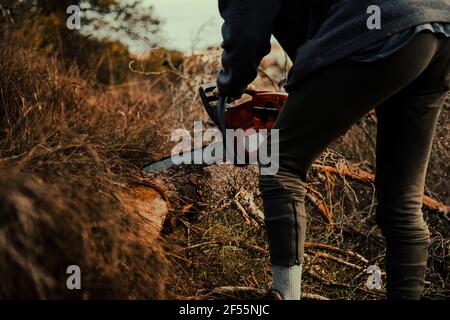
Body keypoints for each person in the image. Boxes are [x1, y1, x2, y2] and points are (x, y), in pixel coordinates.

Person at [215, 0, 450, 300]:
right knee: (402, 203)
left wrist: (229, 85)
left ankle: (286, 295)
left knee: (279, 163)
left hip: (383, 25)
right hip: (439, 25)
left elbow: (245, 35)